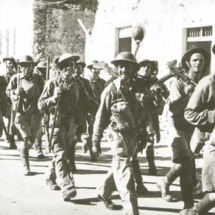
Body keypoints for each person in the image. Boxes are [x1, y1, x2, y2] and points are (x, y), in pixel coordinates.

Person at [92, 51, 149, 215]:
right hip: (116, 134)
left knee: (119, 165)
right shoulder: (111, 90)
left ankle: (103, 192)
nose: (125, 70)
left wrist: (146, 131)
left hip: (133, 135)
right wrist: (95, 141)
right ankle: (131, 210)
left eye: (129, 66)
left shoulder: (138, 88)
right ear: (117, 68)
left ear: (133, 69)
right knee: (125, 170)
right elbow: (101, 116)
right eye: (122, 66)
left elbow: (146, 112)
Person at [38, 53, 97, 200]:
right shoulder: (52, 83)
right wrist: (52, 99)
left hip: (71, 124)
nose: (70, 68)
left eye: (72, 65)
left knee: (60, 154)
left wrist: (103, 110)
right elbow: (40, 105)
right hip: (56, 124)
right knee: (61, 154)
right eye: (67, 65)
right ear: (61, 68)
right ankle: (67, 185)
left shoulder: (78, 84)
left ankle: (50, 177)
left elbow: (88, 101)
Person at [157, 47, 210, 210]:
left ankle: (165, 181)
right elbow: (173, 108)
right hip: (177, 125)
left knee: (186, 162)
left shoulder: (205, 80)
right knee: (185, 163)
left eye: (201, 60)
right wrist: (187, 95)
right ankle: (188, 204)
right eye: (195, 60)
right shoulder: (178, 82)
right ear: (188, 63)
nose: (198, 63)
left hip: (195, 127)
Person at [179, 50, 214, 215]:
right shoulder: (208, 82)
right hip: (206, 139)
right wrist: (211, 116)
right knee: (184, 164)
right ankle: (192, 209)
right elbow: (189, 113)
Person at [6, 55, 44, 175]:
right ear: (21, 67)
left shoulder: (38, 79)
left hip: (35, 113)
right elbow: (8, 91)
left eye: (29, 66)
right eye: (24, 66)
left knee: (31, 140)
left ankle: (22, 149)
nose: (26, 68)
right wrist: (15, 93)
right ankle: (26, 166)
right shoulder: (16, 78)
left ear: (32, 66)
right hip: (20, 113)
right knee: (26, 138)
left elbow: (45, 92)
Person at [137, 59, 169, 176]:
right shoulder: (133, 80)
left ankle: (152, 166)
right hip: (135, 117)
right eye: (143, 66)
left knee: (150, 141)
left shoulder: (155, 81)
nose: (146, 69)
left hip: (149, 116)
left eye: (149, 67)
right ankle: (133, 168)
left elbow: (166, 95)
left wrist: (158, 94)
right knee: (134, 144)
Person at [82, 60, 106, 161]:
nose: (96, 71)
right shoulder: (86, 82)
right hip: (89, 110)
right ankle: (93, 153)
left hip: (100, 109)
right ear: (90, 70)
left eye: (97, 69)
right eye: (94, 69)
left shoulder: (103, 82)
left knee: (99, 130)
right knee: (92, 129)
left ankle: (87, 140)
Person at [2, 57, 17, 149]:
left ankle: (11, 139)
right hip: (3, 102)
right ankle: (6, 135)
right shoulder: (2, 77)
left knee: (11, 121)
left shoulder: (17, 76)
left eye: (11, 63)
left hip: (13, 101)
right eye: (8, 63)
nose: (9, 66)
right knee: (4, 121)